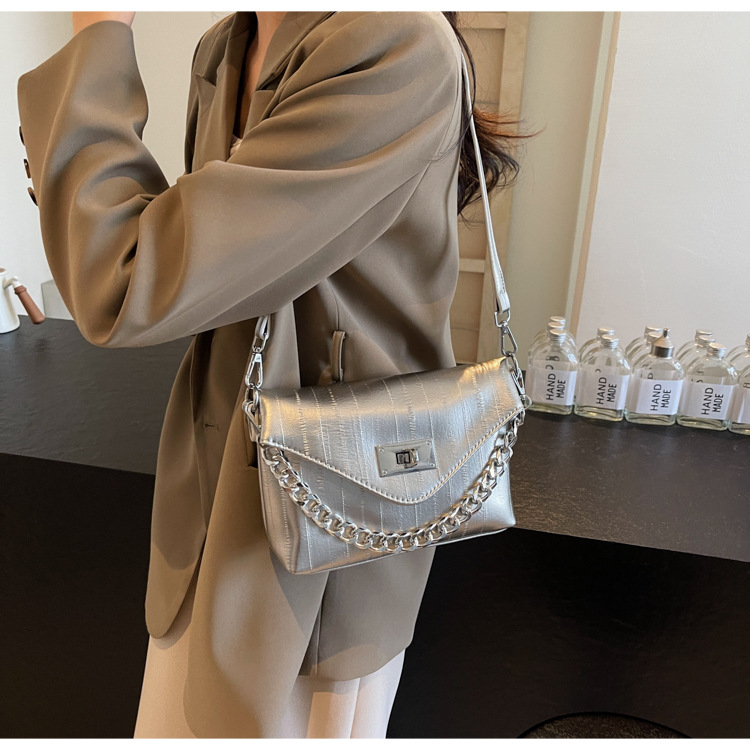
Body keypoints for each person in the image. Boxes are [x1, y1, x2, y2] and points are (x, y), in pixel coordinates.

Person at [17, 10, 520, 739]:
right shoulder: (228, 45)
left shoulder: (394, 39)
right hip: (209, 498)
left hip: (327, 527)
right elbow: (197, 271)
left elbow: (125, 278)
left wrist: (98, 36)